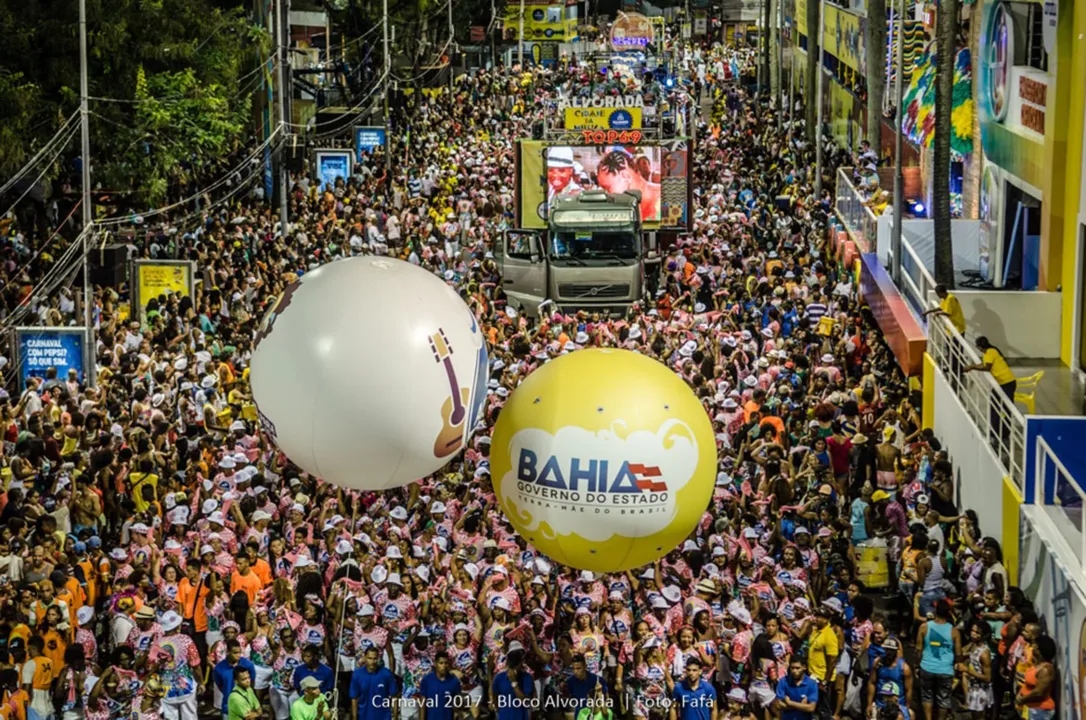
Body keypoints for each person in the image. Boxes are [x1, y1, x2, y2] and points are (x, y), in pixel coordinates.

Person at [915, 599, 960, 720]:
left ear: (935, 611)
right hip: (946, 670)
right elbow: (958, 653)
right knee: (943, 699)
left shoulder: (924, 627)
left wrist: (917, 665)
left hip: (927, 667)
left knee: (927, 696)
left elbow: (918, 649)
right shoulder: (954, 631)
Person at [349, 646, 399, 720]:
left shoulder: (387, 674)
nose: (372, 661)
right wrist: (354, 717)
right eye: (370, 658)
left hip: (384, 716)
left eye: (375, 658)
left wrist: (395, 717)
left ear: (378, 658)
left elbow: (394, 696)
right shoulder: (357, 675)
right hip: (364, 716)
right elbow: (354, 698)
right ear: (365, 658)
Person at [212, 641, 256, 720]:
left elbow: (252, 682)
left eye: (239, 652)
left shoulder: (248, 665)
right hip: (228, 707)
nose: (238, 655)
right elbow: (221, 686)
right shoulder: (219, 668)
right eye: (235, 653)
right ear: (228, 652)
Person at [1015, 635, 1056, 720]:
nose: (1032, 649)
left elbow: (1039, 693)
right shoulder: (1036, 664)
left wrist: (1022, 699)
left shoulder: (1046, 670)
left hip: (1040, 711)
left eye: (1034, 647)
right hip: (1030, 708)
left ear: (1039, 650)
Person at [490, 642, 534, 720]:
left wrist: (514, 683)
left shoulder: (527, 677)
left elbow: (525, 702)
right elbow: (495, 699)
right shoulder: (499, 677)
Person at [417, 653, 462, 720]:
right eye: (441, 663)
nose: (443, 666)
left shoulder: (454, 682)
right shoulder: (427, 680)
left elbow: (456, 704)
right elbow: (422, 703)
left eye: (446, 663)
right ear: (435, 664)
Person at [563, 653, 608, 720]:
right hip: (579, 716)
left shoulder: (598, 680)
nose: (575, 671)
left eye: (578, 668)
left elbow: (606, 701)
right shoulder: (570, 682)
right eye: (573, 668)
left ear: (585, 666)